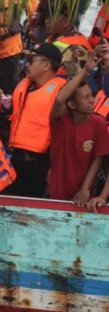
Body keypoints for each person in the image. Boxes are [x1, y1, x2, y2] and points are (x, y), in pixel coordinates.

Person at [0, 43, 68, 197]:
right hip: (17, 158)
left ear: (46, 65)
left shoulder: (61, 92)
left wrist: (54, 166)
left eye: (31, 60)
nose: (26, 64)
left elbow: (63, 135)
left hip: (41, 163)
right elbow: (11, 118)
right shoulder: (25, 86)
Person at [48, 55, 109, 204]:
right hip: (56, 194)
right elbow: (59, 99)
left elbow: (98, 158)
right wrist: (85, 71)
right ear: (73, 105)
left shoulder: (98, 123)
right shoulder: (60, 122)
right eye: (86, 97)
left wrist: (85, 188)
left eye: (92, 95)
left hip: (83, 198)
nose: (92, 100)